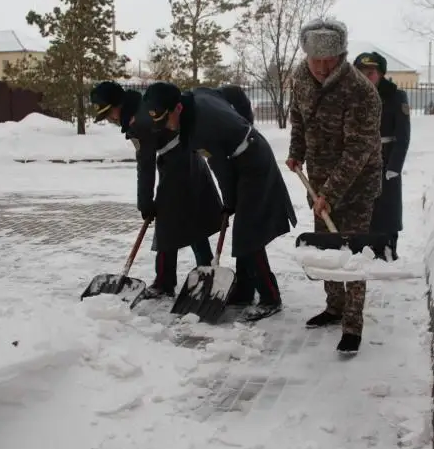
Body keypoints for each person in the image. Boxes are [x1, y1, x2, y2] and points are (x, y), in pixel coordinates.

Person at [131, 81, 297, 322]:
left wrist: (228, 201)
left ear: (177, 108)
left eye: (165, 120)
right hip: (239, 157)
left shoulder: (199, 129)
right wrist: (242, 123)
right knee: (244, 233)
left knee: (248, 232)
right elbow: (235, 91)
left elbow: (220, 167)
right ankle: (244, 291)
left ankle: (270, 297)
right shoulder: (196, 94)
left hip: (254, 161)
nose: (166, 126)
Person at [286, 18, 382, 354]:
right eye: (317, 61)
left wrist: (331, 192)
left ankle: (353, 324)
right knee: (327, 247)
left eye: (331, 61)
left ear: (342, 56)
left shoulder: (360, 91)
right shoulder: (299, 77)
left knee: (351, 252)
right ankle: (334, 306)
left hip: (356, 183)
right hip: (320, 180)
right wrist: (296, 152)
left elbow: (360, 150)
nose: (323, 68)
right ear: (306, 56)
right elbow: (298, 116)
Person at [90, 81, 222, 298]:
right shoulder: (144, 106)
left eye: (108, 114)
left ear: (117, 106)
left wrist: (146, 202)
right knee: (191, 218)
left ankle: (164, 281)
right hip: (190, 159)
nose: (110, 120)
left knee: (166, 224)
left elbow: (146, 164)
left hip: (178, 166)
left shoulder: (139, 121)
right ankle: (205, 270)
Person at [353, 52, 411, 258]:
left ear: (380, 74)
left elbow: (403, 136)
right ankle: (365, 250)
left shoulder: (395, 96)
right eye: (361, 73)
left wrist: (394, 167)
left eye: (371, 73)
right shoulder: (352, 96)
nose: (366, 77)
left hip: (386, 157)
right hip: (360, 159)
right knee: (364, 207)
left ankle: (387, 250)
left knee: (387, 208)